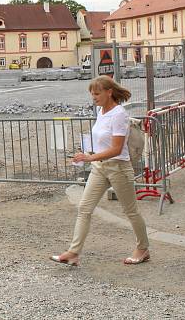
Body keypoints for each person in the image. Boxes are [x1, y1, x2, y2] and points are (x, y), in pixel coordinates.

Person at [51, 75, 149, 266]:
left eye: (97, 93)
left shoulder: (119, 114)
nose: (93, 97)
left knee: (131, 211)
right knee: (84, 208)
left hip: (118, 167)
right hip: (100, 167)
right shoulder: (101, 111)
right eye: (92, 94)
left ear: (109, 92)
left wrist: (89, 157)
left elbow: (117, 149)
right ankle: (73, 252)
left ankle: (143, 248)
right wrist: (88, 153)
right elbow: (101, 141)